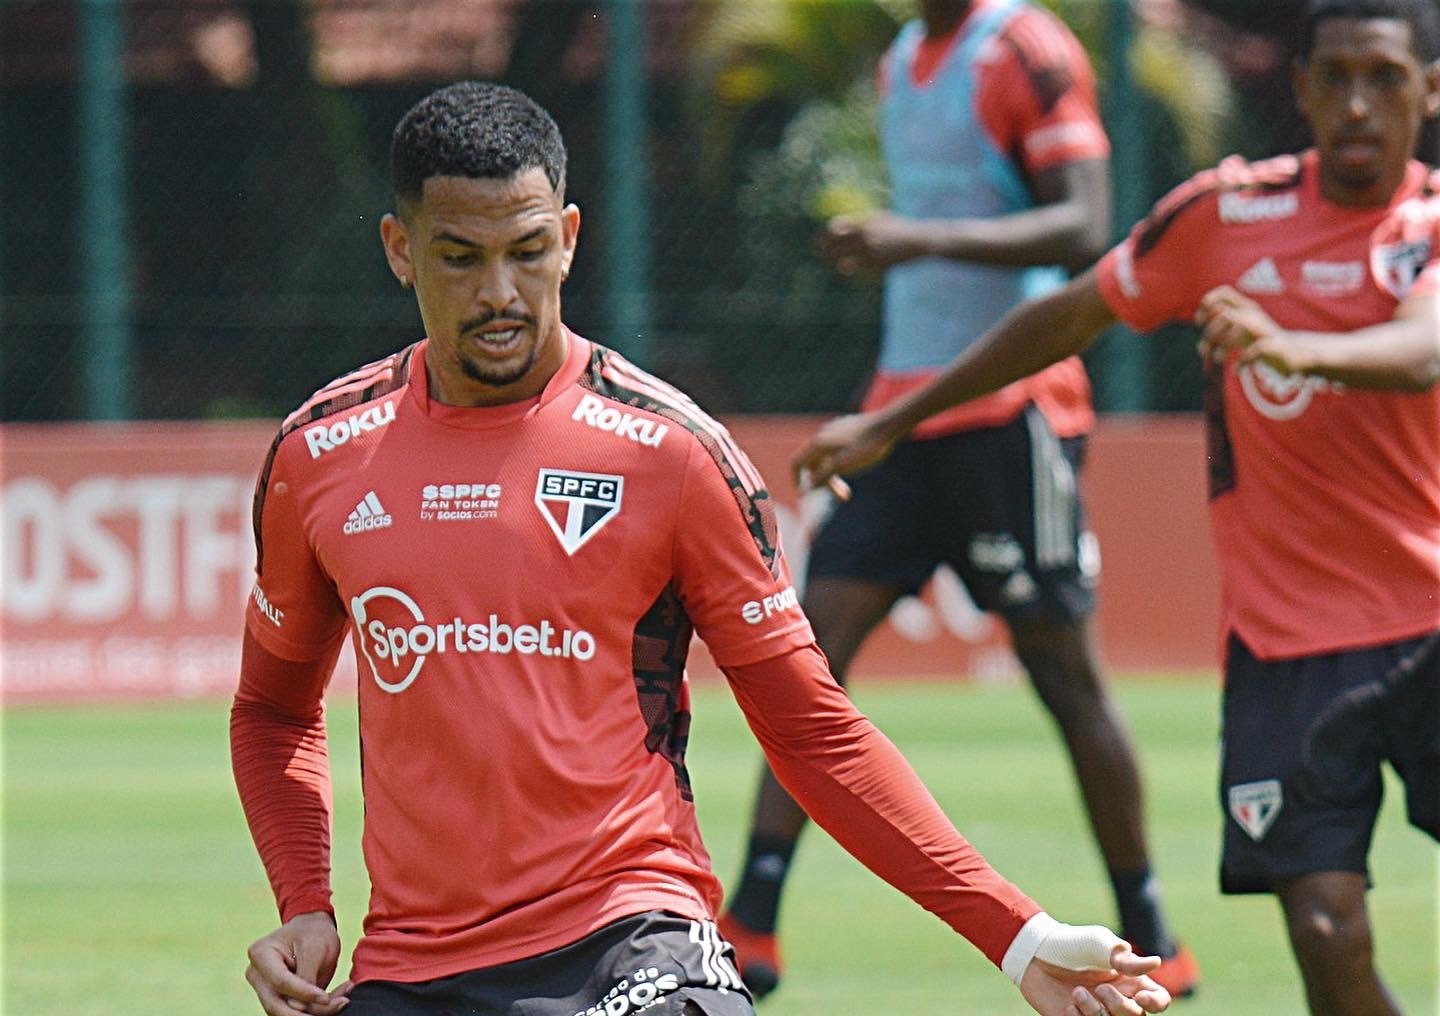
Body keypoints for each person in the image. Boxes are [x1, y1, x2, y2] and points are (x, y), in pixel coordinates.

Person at [229, 81, 1171, 1016]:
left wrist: (1017, 935)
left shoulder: (671, 453)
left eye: (526, 252)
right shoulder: (319, 454)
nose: (501, 293)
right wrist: (305, 905)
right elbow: (272, 712)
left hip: (630, 941)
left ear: (567, 236)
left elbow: (813, 732)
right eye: (461, 259)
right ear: (400, 251)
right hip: (413, 971)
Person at [790, 0, 1440, 1012]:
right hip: (1289, 647)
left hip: (1431, 623)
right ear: (1303, 88)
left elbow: (1422, 349)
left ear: (1430, 91)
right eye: (1339, 76)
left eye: (1388, 78)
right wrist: (896, 417)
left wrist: (1292, 347)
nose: (1360, 103)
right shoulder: (1222, 215)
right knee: (1322, 924)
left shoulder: (1433, 222)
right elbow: (1073, 309)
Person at [718, 0, 1198, 1000]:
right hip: (901, 413)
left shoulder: (1026, 49)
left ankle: (1152, 928)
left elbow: (1086, 225)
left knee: (1065, 675)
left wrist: (914, 236)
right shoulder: (904, 58)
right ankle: (751, 921)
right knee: (806, 663)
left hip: (1010, 413)